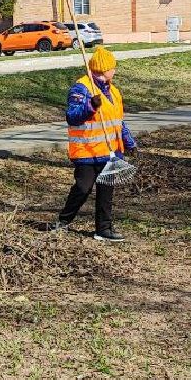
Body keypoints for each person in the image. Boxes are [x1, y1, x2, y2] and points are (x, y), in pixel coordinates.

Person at [55, 47, 135, 241]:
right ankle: (63, 222)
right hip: (87, 151)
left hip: (110, 151)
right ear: (103, 68)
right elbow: (72, 117)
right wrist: (90, 106)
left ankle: (103, 229)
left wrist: (128, 141)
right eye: (112, 67)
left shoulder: (113, 91)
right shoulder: (81, 88)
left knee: (106, 191)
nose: (115, 70)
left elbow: (117, 120)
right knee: (83, 188)